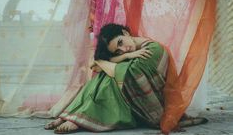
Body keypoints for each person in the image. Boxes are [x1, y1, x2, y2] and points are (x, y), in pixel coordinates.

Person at [44, 23, 207, 134]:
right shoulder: (131, 52)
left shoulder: (153, 49)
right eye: (118, 50)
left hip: (150, 103)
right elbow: (95, 65)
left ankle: (77, 118)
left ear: (125, 33)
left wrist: (111, 62)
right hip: (132, 97)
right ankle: (73, 115)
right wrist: (126, 56)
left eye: (121, 42)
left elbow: (130, 75)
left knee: (108, 79)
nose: (123, 49)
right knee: (103, 76)